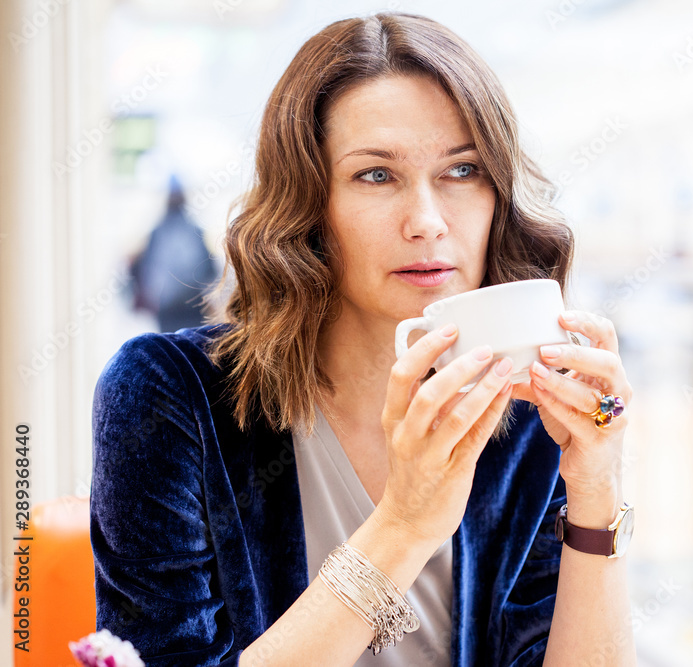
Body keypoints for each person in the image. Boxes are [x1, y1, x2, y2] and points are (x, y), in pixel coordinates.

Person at [90, 12, 636, 666]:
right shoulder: (167, 396)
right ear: (308, 206)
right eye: (376, 174)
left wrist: (596, 489)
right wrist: (403, 526)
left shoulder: (527, 414)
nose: (427, 222)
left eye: (463, 170)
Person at [128, 175, 218, 332]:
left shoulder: (158, 233)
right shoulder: (193, 231)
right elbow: (209, 269)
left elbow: (142, 269)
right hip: (189, 307)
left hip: (172, 309)